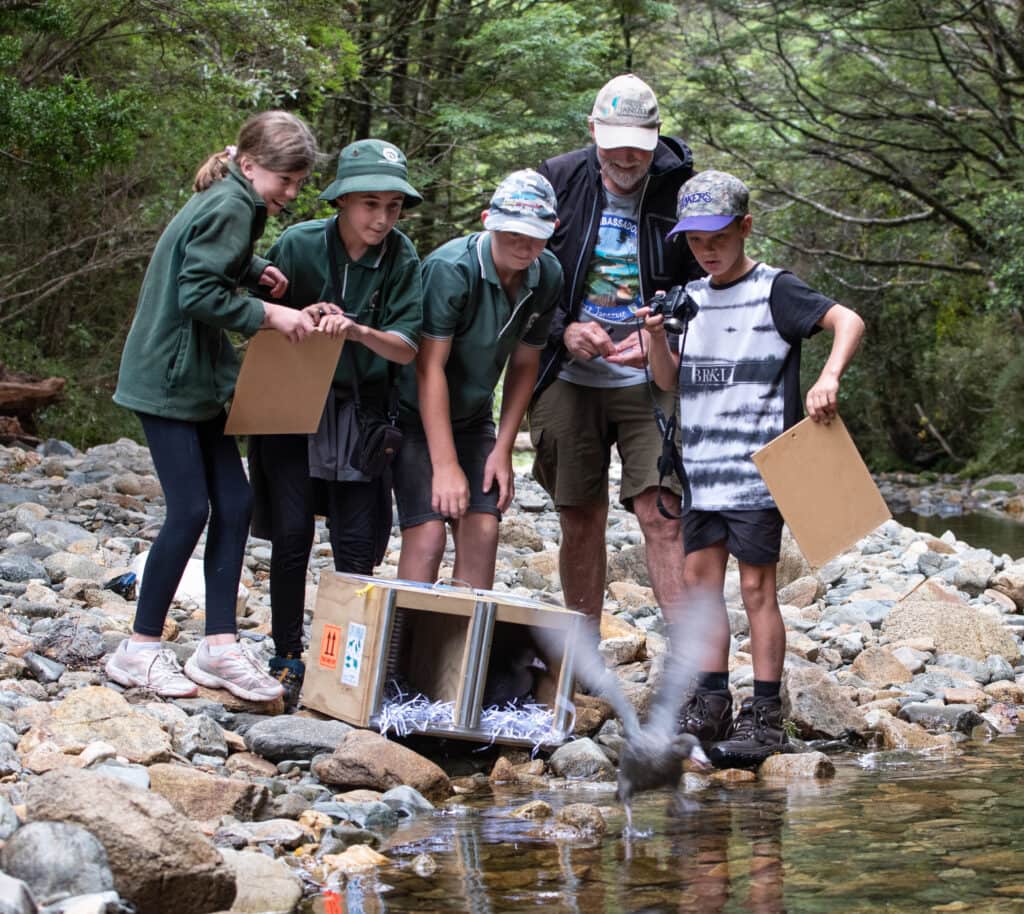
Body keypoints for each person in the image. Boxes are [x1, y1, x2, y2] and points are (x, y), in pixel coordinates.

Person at [642, 170, 865, 767]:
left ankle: (765, 716)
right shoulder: (689, 299)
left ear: (744, 227)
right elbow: (669, 381)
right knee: (700, 587)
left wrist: (828, 377)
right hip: (701, 473)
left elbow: (848, 320)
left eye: (717, 235)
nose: (706, 249)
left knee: (756, 587)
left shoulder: (776, 290)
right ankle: (711, 702)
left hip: (757, 473)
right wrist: (655, 338)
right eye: (694, 240)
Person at [106, 111, 321, 701]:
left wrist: (254, 269)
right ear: (250, 165)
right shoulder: (231, 204)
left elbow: (198, 255)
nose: (291, 193)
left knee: (235, 499)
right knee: (190, 509)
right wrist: (269, 313)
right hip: (169, 380)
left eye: (299, 182)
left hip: (198, 380)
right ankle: (140, 647)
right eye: (286, 180)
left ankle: (218, 646)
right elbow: (194, 290)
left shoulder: (233, 196)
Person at [248, 139, 424, 703]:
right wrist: (304, 315)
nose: (381, 218)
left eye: (393, 206)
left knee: (355, 544)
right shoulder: (299, 245)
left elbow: (404, 348)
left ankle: (347, 662)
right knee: (292, 534)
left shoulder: (403, 257)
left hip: (362, 413)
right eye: (369, 204)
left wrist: (356, 330)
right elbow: (255, 311)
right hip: (290, 404)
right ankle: (285, 655)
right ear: (342, 201)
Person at [529, 73, 703, 627]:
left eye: (639, 146)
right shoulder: (554, 180)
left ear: (657, 136)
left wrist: (662, 331)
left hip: (650, 376)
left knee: (664, 513)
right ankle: (582, 654)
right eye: (615, 146)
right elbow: (517, 275)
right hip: (568, 374)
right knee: (579, 515)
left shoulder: (683, 191)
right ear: (592, 133)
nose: (627, 158)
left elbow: (704, 286)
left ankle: (692, 673)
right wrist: (564, 329)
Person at [395, 169, 563, 589]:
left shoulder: (548, 275)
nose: (525, 248)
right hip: (412, 414)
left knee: (483, 529)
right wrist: (445, 465)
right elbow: (427, 367)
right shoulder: (451, 270)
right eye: (512, 235)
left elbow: (525, 363)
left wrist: (503, 449)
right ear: (489, 220)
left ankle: (464, 650)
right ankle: (405, 649)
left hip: (472, 416)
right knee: (430, 534)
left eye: (536, 237)